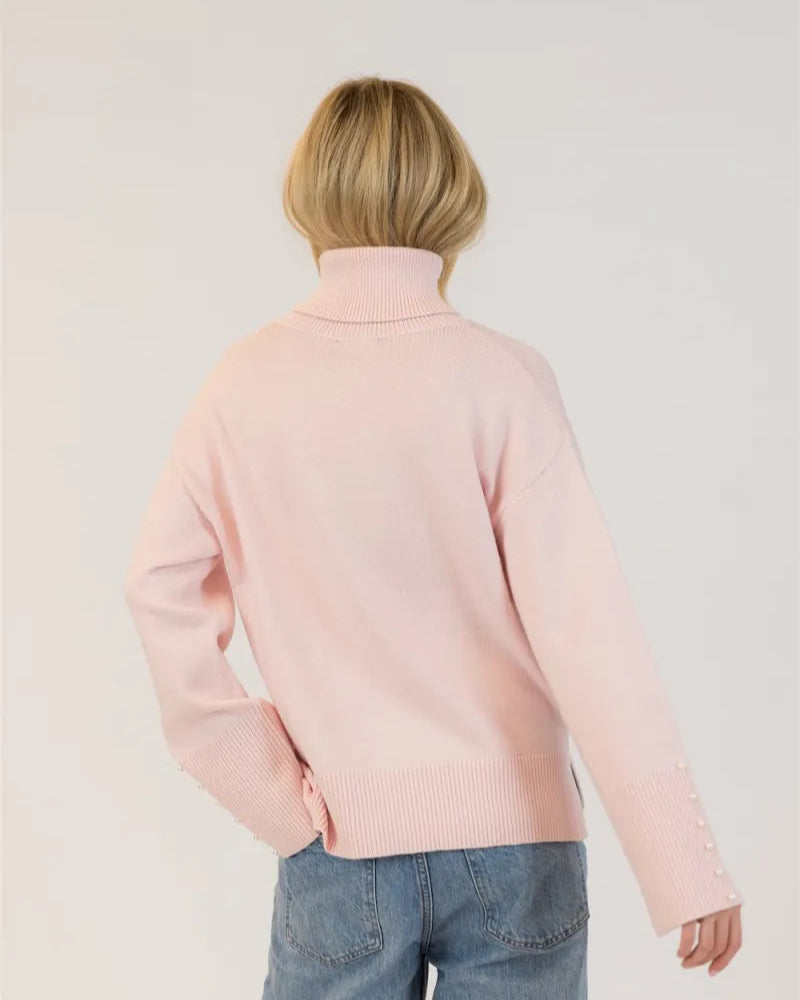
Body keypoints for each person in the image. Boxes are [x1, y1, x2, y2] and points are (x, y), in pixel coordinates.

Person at [123, 75, 744, 998]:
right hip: (519, 844)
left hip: (338, 841)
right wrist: (683, 864)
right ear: (455, 194)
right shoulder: (502, 377)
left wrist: (269, 792)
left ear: (308, 194)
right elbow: (589, 631)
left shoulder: (241, 386)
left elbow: (157, 590)